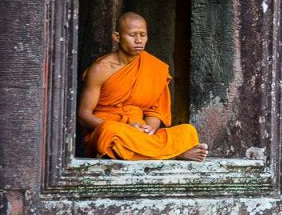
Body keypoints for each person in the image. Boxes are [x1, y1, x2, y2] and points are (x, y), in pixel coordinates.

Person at [78, 12, 208, 161]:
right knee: (110, 133)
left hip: (140, 133)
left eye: (143, 35)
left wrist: (148, 129)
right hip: (113, 129)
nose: (139, 40)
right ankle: (173, 154)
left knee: (187, 131)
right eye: (132, 35)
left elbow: (155, 111)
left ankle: (150, 151)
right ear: (117, 37)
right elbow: (84, 116)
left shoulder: (155, 68)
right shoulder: (101, 69)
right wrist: (127, 128)